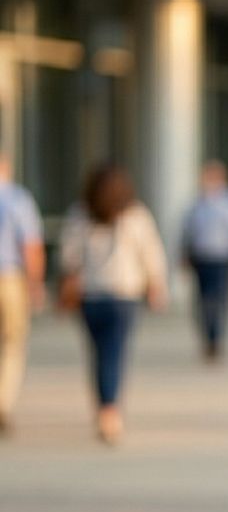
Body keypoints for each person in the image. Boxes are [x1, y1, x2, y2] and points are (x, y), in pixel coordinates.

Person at [58, 164, 168, 444]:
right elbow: (151, 252)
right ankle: (109, 409)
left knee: (98, 353)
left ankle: (104, 407)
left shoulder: (80, 214)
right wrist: (156, 285)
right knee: (114, 352)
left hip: (90, 296)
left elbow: (68, 257)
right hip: (123, 296)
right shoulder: (136, 215)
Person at [180, 159, 228, 360]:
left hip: (223, 258)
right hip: (201, 258)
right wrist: (183, 254)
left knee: (221, 300)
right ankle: (207, 337)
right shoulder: (197, 203)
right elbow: (187, 232)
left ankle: (217, 339)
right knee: (202, 301)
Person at [0, 154, 45, 433]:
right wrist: (35, 284)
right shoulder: (17, 199)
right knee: (13, 342)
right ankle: (2, 402)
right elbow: (30, 245)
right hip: (9, 279)